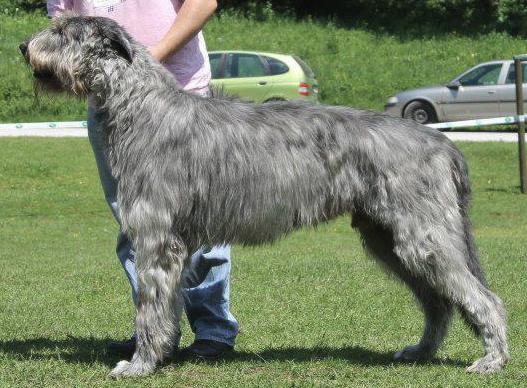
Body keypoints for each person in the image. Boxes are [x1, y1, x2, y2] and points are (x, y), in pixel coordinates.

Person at [47, 0, 238, 359]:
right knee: (136, 226)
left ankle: (213, 332)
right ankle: (153, 335)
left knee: (203, 230)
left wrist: (151, 56)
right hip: (109, 102)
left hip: (178, 96)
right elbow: (64, 23)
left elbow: (203, 3)